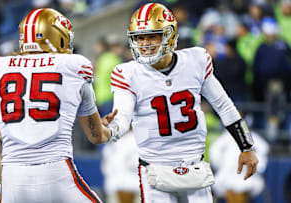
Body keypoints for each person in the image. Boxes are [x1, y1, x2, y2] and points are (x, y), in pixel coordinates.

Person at [103, 3, 259, 203]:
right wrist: (110, 130)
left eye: (152, 36)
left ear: (170, 35)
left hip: (194, 164)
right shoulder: (127, 73)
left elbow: (224, 105)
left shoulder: (196, 60)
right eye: (140, 37)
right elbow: (123, 117)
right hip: (154, 166)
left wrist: (246, 147)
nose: (144, 43)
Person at [0, 8, 116, 203]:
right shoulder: (73, 66)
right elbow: (96, 136)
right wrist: (112, 130)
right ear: (58, 37)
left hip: (12, 180)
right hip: (56, 173)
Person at [209, 129, 269, 203]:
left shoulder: (251, 137)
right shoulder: (225, 138)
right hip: (227, 175)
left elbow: (263, 148)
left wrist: (257, 166)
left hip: (245, 176)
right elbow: (215, 153)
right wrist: (220, 165)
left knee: (242, 193)